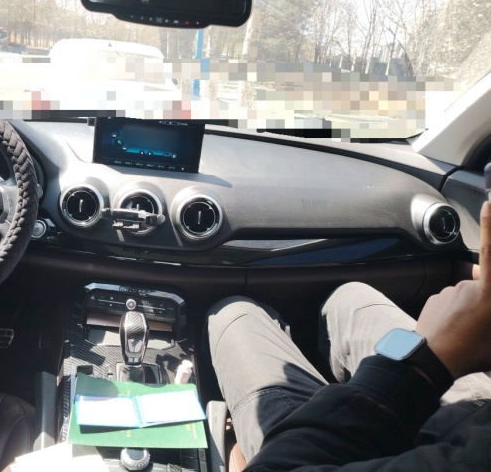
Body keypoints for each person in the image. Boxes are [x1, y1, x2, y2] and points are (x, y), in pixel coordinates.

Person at [208, 201, 491, 471]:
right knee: (349, 296)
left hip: (446, 442)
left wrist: (424, 362)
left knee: (233, 313)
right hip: (478, 414)